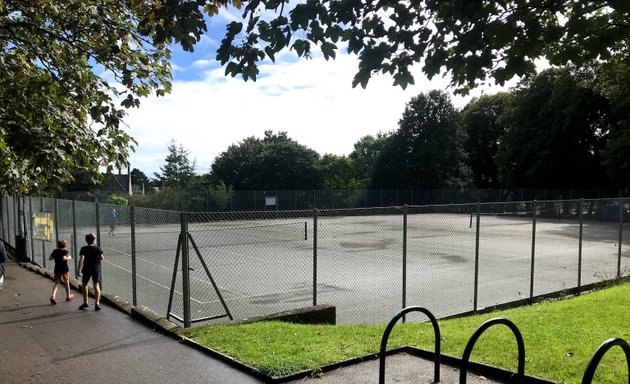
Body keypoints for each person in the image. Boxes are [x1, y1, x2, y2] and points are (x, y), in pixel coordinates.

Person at [77, 233, 104, 311]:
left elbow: (81, 259)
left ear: (86, 240)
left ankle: (85, 302)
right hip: (96, 269)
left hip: (86, 269)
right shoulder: (97, 248)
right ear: (94, 240)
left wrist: (79, 270)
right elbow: (102, 257)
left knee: (84, 285)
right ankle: (97, 303)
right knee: (96, 285)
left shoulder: (83, 249)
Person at [49, 239, 74, 304]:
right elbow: (64, 258)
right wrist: (69, 257)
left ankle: (53, 296)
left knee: (56, 283)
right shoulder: (65, 251)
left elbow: (50, 258)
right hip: (64, 269)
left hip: (57, 268)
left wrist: (56, 257)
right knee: (67, 282)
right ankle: (68, 296)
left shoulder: (55, 251)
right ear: (65, 246)